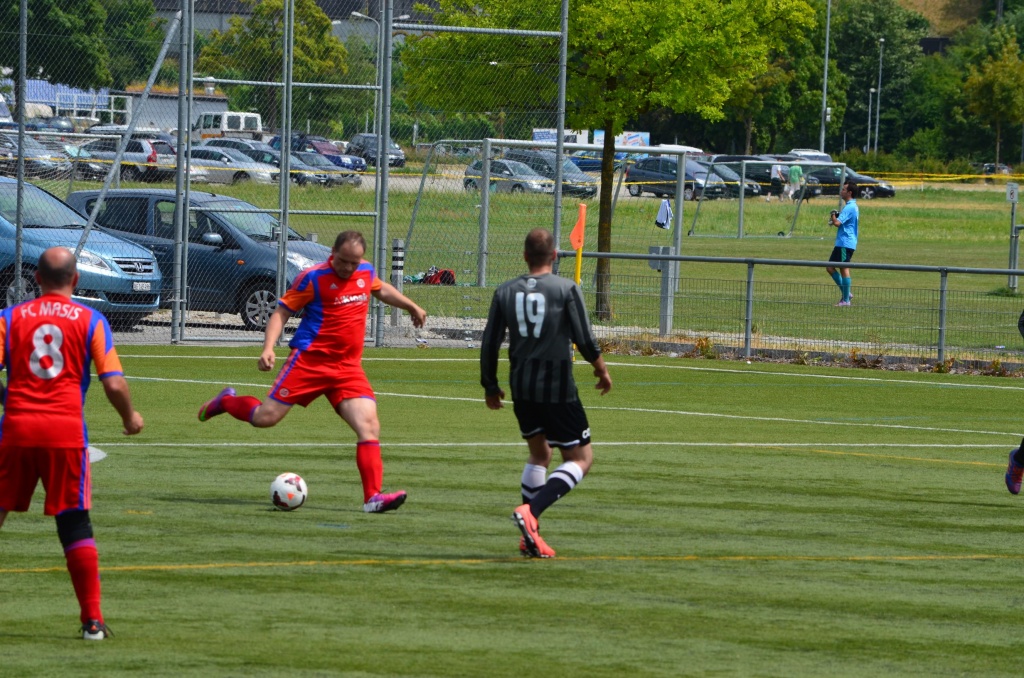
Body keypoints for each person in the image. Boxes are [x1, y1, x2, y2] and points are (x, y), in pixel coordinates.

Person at [197, 231, 427, 513]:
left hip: (347, 368)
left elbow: (380, 289)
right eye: (343, 261)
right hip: (309, 363)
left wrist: (411, 305)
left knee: (369, 427)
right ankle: (226, 401)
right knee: (265, 418)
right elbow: (281, 312)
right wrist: (268, 347)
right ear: (333, 253)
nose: (348, 268)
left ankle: (373, 498)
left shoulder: (365, 272)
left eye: (353, 263)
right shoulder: (313, 278)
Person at [0, 247, 144, 640]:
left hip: (15, 431)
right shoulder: (91, 320)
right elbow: (113, 382)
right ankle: (92, 621)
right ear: (76, 279)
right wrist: (129, 417)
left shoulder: (9, 318)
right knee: (74, 522)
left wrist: (8, 397)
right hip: (65, 434)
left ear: (36, 279)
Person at [480, 228, 612, 558]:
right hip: (558, 389)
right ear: (554, 256)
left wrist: (490, 385)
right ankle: (531, 512)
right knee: (581, 459)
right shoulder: (566, 288)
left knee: (540, 455)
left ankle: (530, 537)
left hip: (522, 388)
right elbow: (584, 338)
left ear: (525, 256)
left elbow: (490, 342)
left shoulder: (504, 291)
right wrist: (601, 369)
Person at [827, 180, 859, 306]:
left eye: (844, 190)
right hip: (842, 243)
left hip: (845, 243)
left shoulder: (850, 207)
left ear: (849, 192)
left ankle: (846, 300)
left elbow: (837, 223)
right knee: (830, 267)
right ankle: (847, 293)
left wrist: (833, 215)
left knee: (844, 268)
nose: (841, 191)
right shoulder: (851, 206)